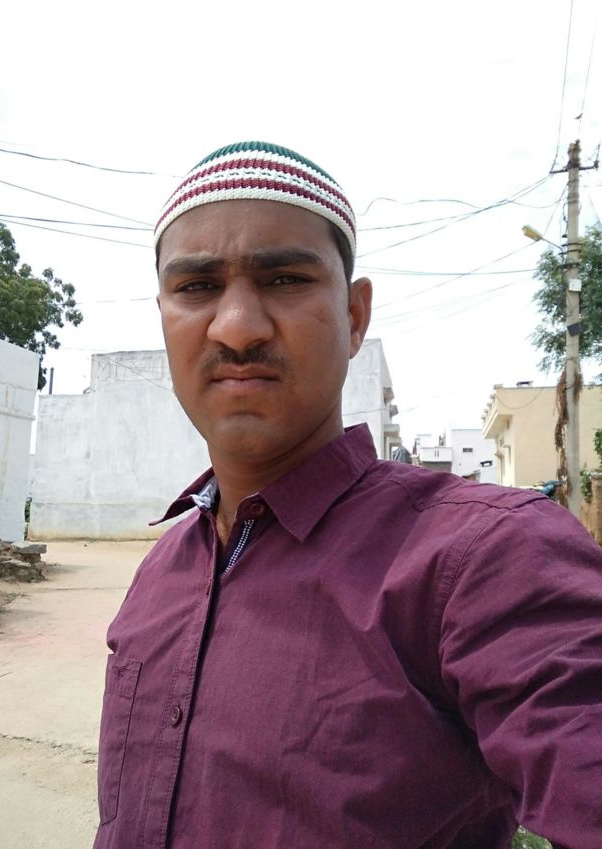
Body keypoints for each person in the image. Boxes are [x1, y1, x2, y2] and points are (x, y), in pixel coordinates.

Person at [93, 141, 602, 849]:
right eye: (198, 287)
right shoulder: (163, 570)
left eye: (285, 278)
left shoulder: (485, 558)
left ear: (356, 316)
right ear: (164, 317)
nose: (236, 327)